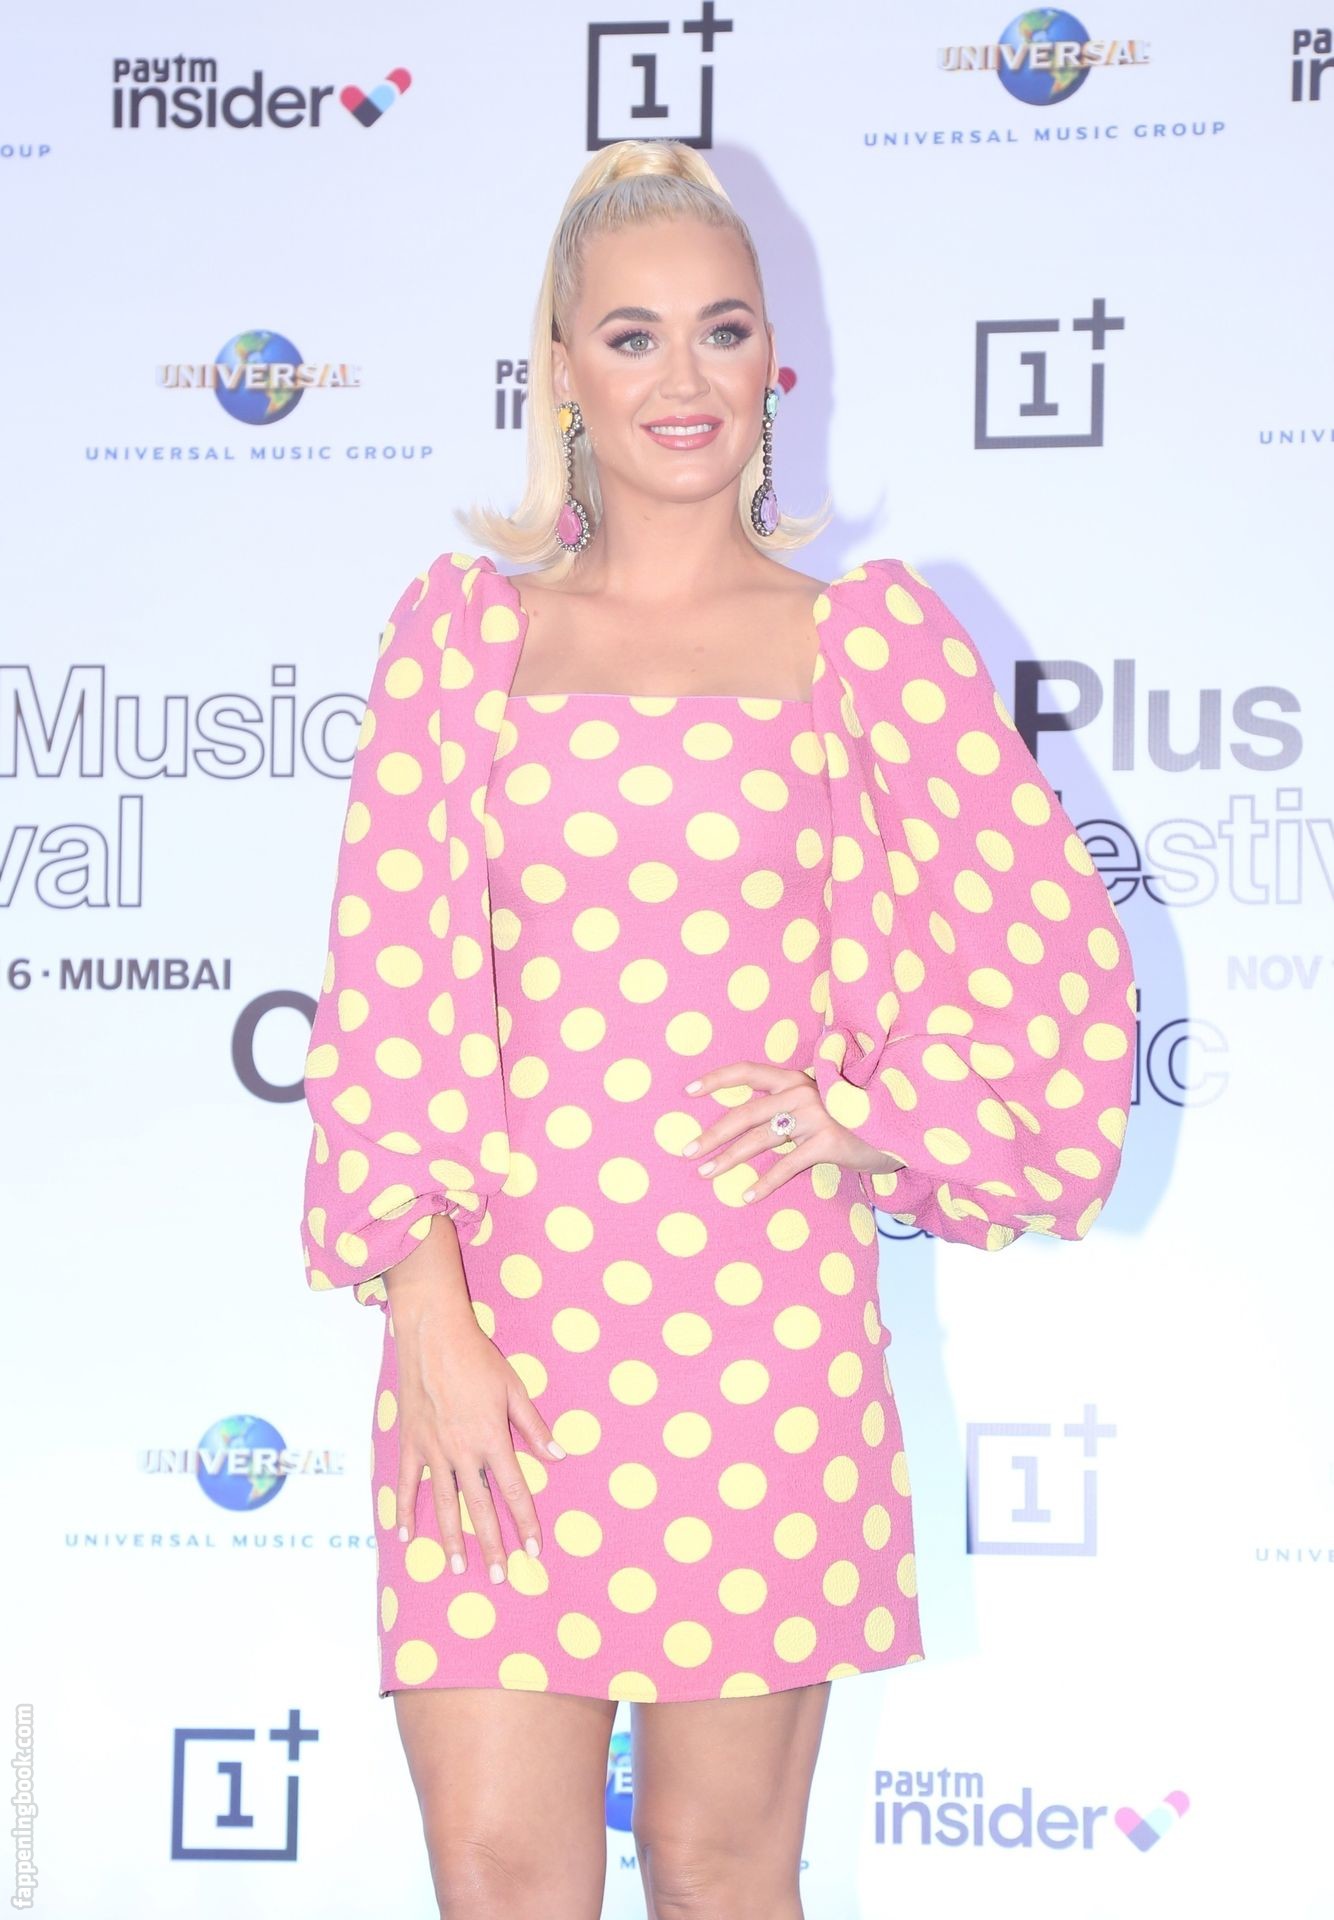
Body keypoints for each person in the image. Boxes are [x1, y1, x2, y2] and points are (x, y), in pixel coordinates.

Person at [298, 139, 1137, 1920]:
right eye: (632, 336)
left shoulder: (868, 647)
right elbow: (386, 995)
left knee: (719, 1870)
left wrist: (873, 1114)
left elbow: (1055, 967)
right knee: (501, 1878)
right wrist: (427, 1310)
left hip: (756, 1336)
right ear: (562, 370)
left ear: (774, 362)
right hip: (495, 1340)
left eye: (721, 329)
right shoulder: (462, 640)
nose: (681, 378)